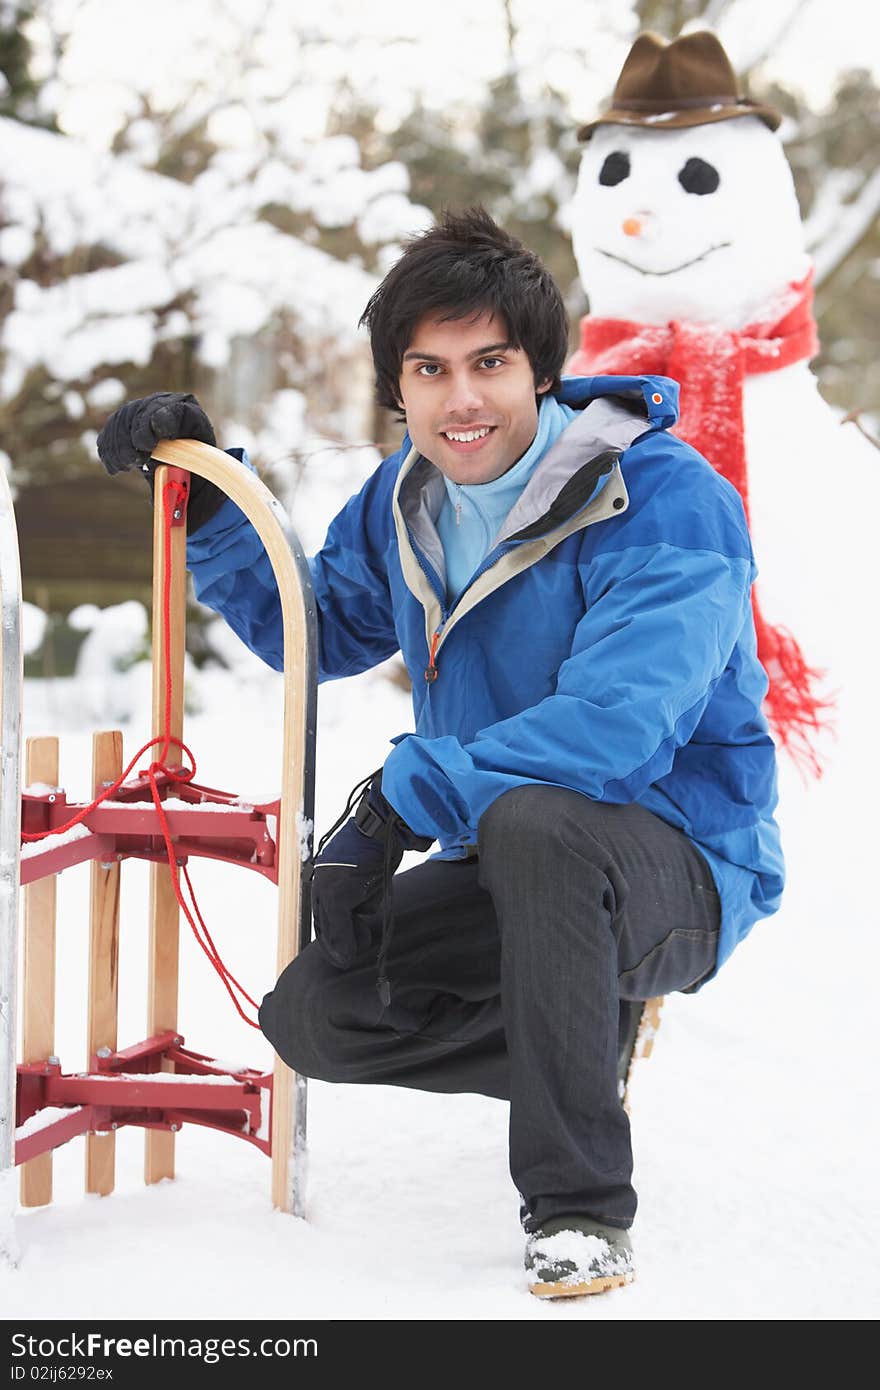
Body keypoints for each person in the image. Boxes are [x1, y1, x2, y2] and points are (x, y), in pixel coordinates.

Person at [96, 207, 784, 1299]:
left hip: (680, 861)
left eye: (490, 363)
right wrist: (212, 504)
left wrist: (394, 802)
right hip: (518, 862)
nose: (462, 399)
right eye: (429, 369)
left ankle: (577, 1208)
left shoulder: (662, 499)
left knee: (540, 821)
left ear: (541, 371)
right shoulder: (405, 500)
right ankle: (575, 1037)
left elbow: (615, 729)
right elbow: (308, 629)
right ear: (398, 386)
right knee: (316, 1013)